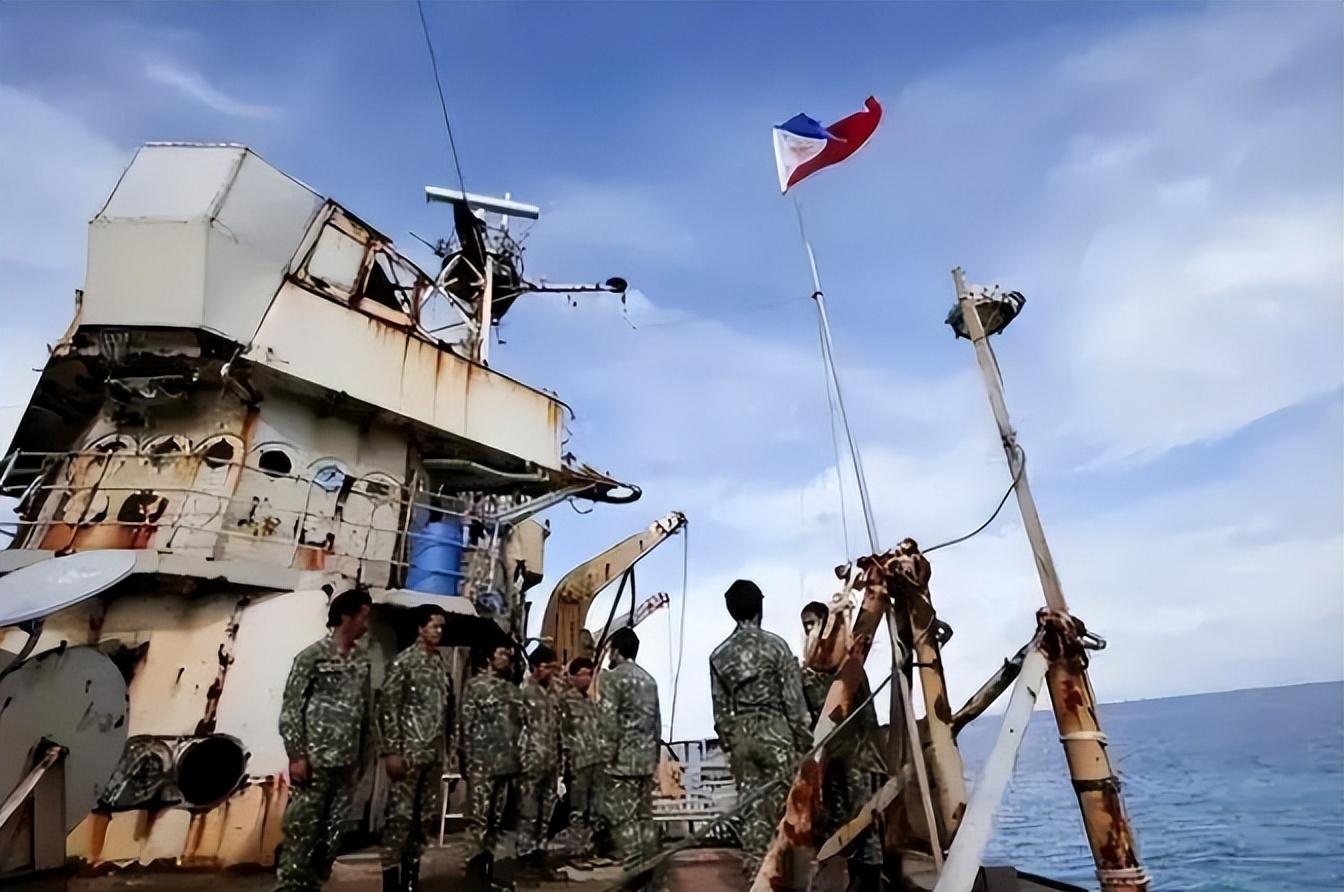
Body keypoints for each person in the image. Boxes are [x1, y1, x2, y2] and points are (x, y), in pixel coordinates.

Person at [708, 580, 811, 879]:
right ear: (760, 607)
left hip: (742, 737)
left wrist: (733, 743)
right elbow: (794, 703)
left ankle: (757, 876)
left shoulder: (719, 655)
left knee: (752, 810)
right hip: (776, 733)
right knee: (784, 811)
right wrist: (805, 744)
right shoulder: (776, 646)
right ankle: (784, 877)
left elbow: (720, 711)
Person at [275, 589, 375, 892]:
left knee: (332, 835)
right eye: (363, 617)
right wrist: (296, 755)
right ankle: (291, 887)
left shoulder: (362, 660)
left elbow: (365, 710)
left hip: (346, 763)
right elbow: (292, 707)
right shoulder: (311, 657)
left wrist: (364, 757)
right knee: (303, 831)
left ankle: (315, 885)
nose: (366, 625)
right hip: (315, 762)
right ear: (346, 616)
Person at [800, 601, 881, 892]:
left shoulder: (850, 667)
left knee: (865, 821)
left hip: (857, 758)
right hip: (829, 760)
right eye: (806, 626)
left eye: (814, 623)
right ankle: (847, 877)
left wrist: (875, 759)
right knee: (837, 823)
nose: (810, 630)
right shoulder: (806, 676)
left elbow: (868, 716)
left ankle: (870, 880)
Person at [377, 604, 454, 892]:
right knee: (399, 818)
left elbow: (448, 710)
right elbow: (389, 708)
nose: (439, 631)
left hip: (432, 755)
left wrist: (449, 750)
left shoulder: (440, 664)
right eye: (434, 626)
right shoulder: (403, 663)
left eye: (441, 627)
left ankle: (412, 877)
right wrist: (392, 751)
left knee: (423, 819)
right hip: (407, 754)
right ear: (421, 628)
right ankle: (391, 879)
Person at [460, 641, 524, 889]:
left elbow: (520, 728)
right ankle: (473, 875)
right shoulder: (475, 687)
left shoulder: (512, 691)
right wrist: (465, 759)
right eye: (501, 653)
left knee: (496, 824)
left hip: (507, 766)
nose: (506, 658)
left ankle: (491, 872)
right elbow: (465, 725)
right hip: (482, 764)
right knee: (478, 822)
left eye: (508, 654)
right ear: (488, 658)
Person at [598, 627, 661, 871]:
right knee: (644, 817)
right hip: (645, 760)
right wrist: (655, 759)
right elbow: (656, 723)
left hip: (621, 762)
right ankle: (650, 869)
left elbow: (608, 721)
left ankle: (633, 871)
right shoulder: (649, 680)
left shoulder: (612, 679)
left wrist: (606, 757)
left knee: (623, 818)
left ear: (616, 651)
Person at [518, 644, 562, 876]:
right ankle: (524, 856)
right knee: (528, 812)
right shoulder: (524, 692)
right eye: (547, 666)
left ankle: (540, 853)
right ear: (535, 667)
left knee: (546, 812)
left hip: (550, 761)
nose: (551, 671)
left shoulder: (555, 692)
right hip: (530, 762)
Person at [558, 656, 606, 854]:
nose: (586, 678)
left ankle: (592, 846)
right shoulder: (565, 701)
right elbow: (562, 733)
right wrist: (566, 761)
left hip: (596, 760)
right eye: (582, 674)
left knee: (596, 807)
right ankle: (576, 847)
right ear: (573, 677)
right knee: (578, 807)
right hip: (578, 762)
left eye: (589, 674)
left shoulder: (591, 702)